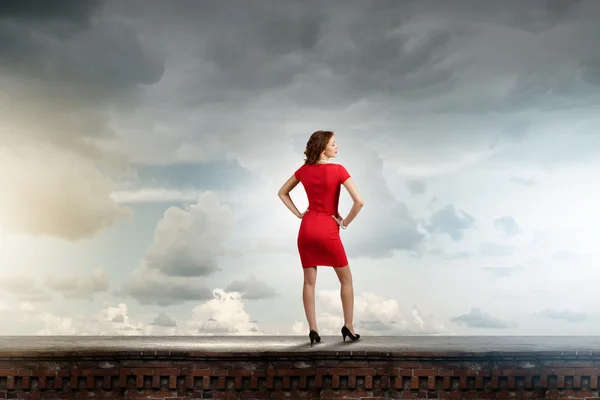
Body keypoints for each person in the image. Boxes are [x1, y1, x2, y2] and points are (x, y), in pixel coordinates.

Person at [277, 130, 364, 346]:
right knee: (346, 280)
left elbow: (282, 192)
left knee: (308, 282)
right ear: (323, 146)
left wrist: (298, 213)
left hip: (307, 229)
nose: (337, 147)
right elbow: (359, 202)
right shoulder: (338, 170)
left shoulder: (304, 170)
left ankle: (313, 330)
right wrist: (344, 222)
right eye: (333, 143)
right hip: (327, 228)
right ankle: (349, 326)